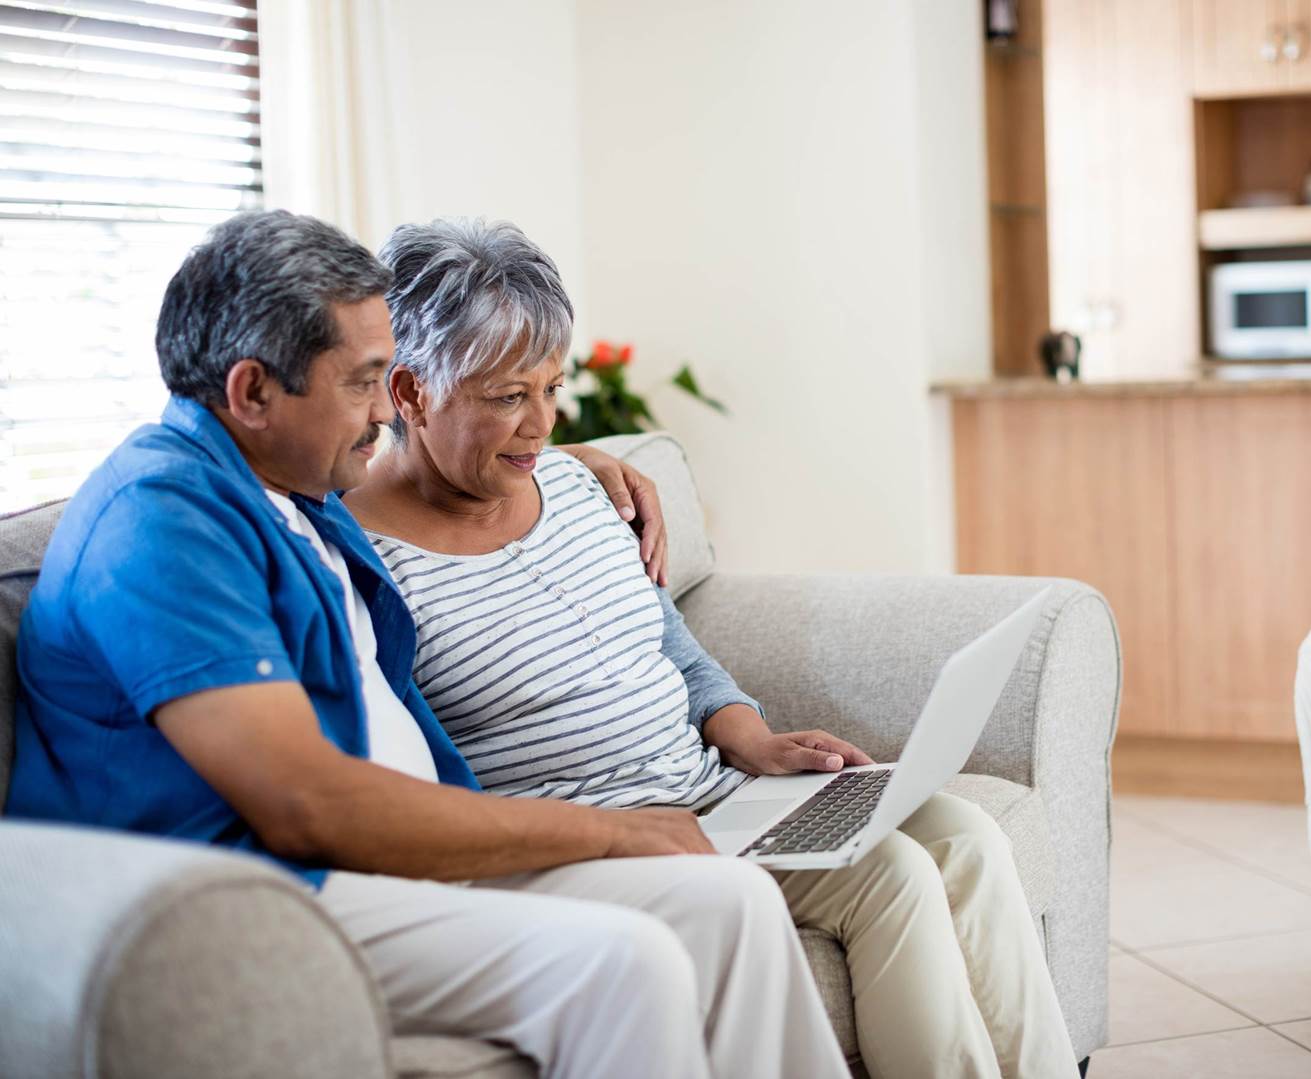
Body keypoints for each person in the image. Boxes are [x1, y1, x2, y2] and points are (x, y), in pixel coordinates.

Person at [5, 210, 848, 1079]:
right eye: (367, 382)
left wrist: (560, 456)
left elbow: (458, 470)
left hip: (400, 860)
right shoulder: (163, 523)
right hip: (258, 892)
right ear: (253, 392)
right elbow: (307, 806)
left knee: (734, 904)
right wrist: (602, 831)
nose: (388, 411)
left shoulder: (290, 482)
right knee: (626, 962)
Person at [341, 218, 1083, 1079]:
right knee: (893, 876)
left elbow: (667, 641)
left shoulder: (579, 485)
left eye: (552, 388)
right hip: (595, 839)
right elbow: (420, 779)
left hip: (714, 793)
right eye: (508, 396)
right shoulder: (364, 565)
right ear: (411, 391)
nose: (540, 424)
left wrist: (749, 732)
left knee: (965, 834)